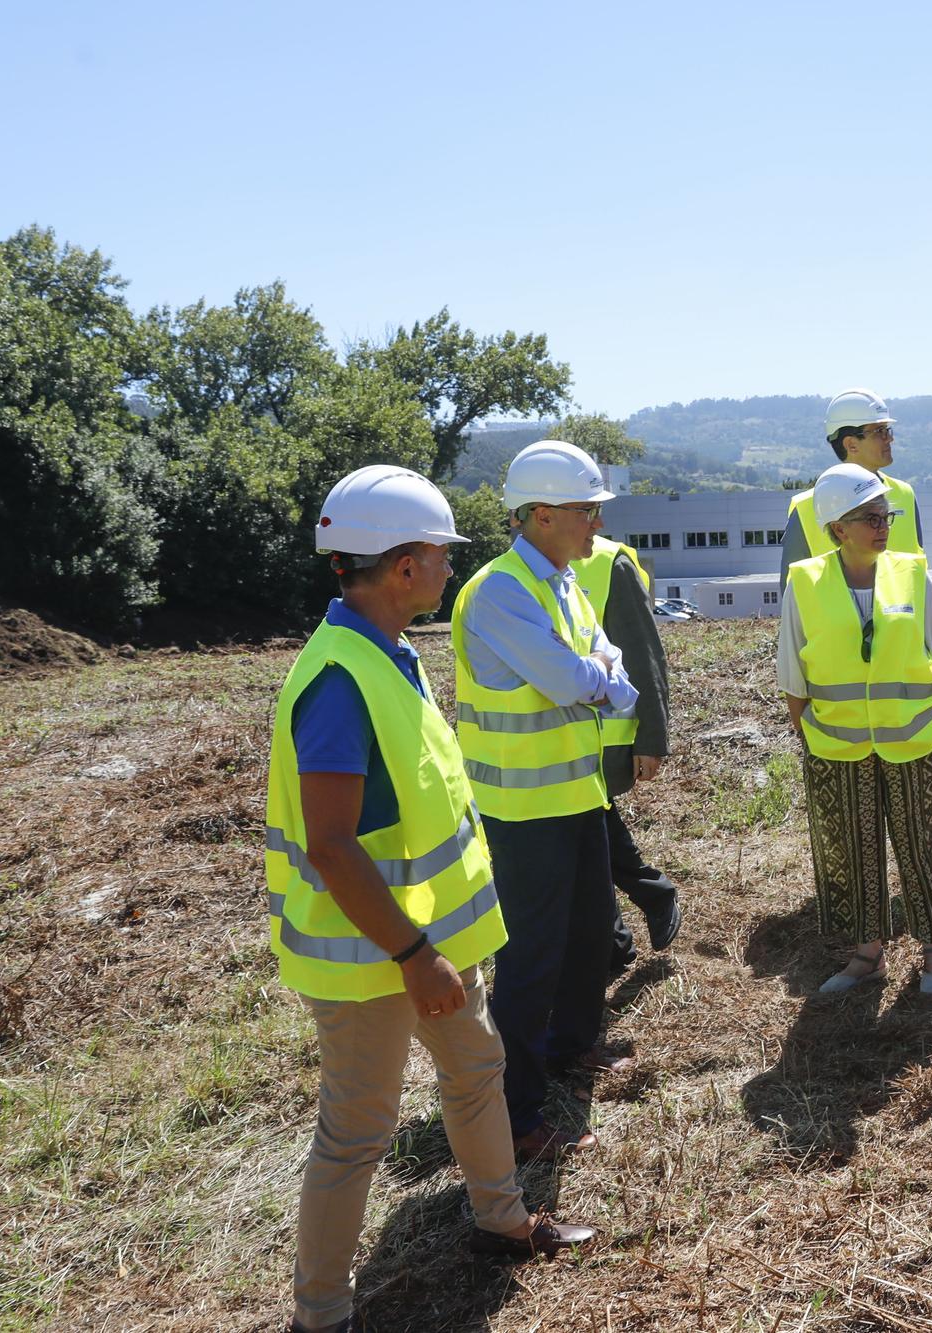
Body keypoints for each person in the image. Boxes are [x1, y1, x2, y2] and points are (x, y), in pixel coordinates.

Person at [271, 466, 593, 1333]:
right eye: (441, 554)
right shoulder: (340, 680)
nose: (451, 568)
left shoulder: (391, 651)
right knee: (356, 1136)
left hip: (433, 948)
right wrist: (414, 957)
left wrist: (436, 951)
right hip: (376, 958)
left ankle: (503, 1220)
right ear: (404, 566)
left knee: (476, 1071)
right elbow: (331, 844)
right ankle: (321, 1315)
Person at [452, 440, 638, 1161]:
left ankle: (571, 1046)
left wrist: (596, 672)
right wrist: (595, 673)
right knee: (529, 961)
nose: (596, 523)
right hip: (523, 809)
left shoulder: (564, 580)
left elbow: (606, 659)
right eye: (587, 511)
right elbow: (574, 679)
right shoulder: (498, 589)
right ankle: (516, 1112)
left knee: (590, 930)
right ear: (539, 515)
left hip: (575, 792)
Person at [778, 387, 932, 862]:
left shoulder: (902, 494)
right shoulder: (806, 506)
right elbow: (794, 596)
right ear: (848, 442)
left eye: (889, 431)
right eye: (879, 431)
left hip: (902, 655)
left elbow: (917, 572)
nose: (890, 440)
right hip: (844, 666)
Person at [778, 463, 932, 995]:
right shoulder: (805, 582)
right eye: (868, 517)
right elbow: (792, 670)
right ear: (836, 528)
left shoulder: (912, 572)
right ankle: (867, 955)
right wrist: (809, 737)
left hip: (914, 738)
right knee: (850, 849)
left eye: (884, 514)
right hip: (837, 746)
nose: (882, 524)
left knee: (925, 844)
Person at [572, 533, 682, 969]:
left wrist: (651, 738)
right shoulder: (515, 571)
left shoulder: (607, 564)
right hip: (555, 743)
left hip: (599, 741)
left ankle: (640, 909)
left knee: (585, 831)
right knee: (586, 835)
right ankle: (624, 932)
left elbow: (644, 654)